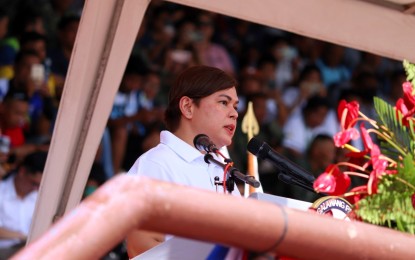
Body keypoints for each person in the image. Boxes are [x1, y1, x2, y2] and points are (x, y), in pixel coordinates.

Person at [126, 65, 240, 257]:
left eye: (235, 106)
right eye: (223, 102)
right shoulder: (157, 163)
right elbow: (141, 245)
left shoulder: (220, 167)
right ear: (187, 107)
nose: (234, 113)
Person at [0, 150, 48, 259]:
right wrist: (24, 237)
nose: (36, 189)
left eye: (39, 185)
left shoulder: (39, 197)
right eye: (34, 183)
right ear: (22, 171)